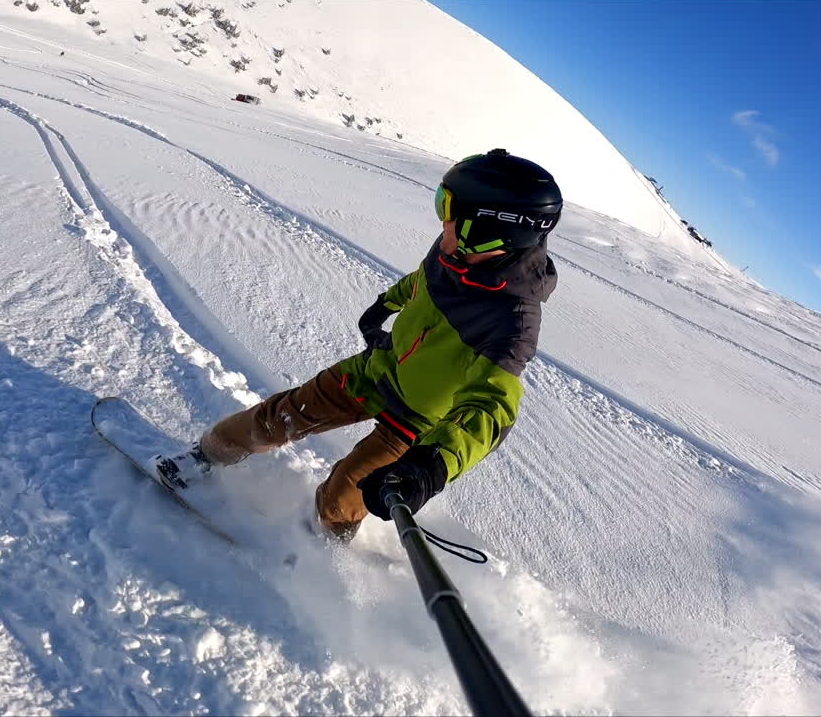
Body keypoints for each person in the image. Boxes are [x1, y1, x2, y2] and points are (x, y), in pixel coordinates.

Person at [162, 148, 561, 541]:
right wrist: (385, 305)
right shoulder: (452, 252)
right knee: (278, 417)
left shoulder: (512, 322)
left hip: (415, 422)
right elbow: (421, 281)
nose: (442, 221)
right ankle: (203, 457)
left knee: (343, 496)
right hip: (374, 371)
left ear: (488, 230)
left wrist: (433, 466)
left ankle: (324, 548)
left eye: (449, 209)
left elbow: (492, 410)